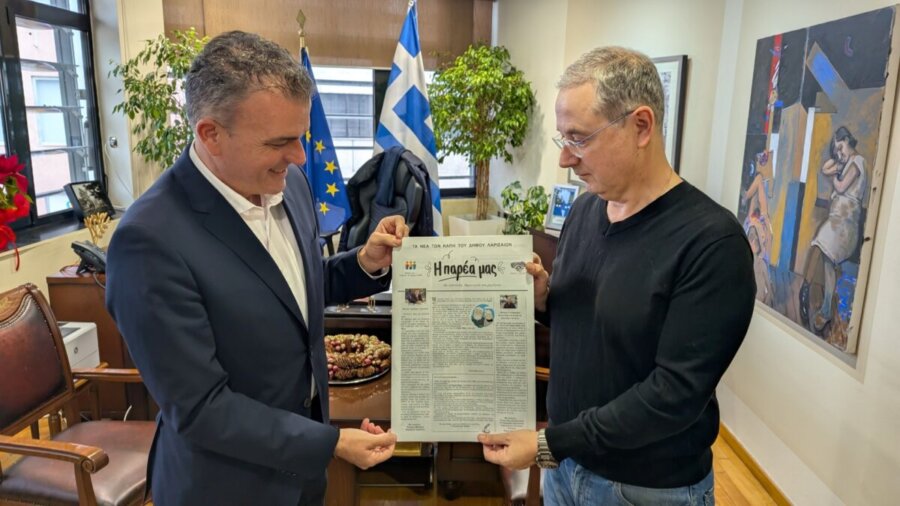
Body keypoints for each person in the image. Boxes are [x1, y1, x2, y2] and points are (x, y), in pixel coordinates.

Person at [105, 31, 403, 506]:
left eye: (301, 136)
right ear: (211, 134)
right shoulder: (149, 241)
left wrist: (364, 264)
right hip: (225, 485)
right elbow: (201, 408)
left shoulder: (291, 184)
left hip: (302, 473)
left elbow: (290, 292)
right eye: (280, 142)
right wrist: (329, 442)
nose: (300, 156)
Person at [477, 46, 756, 505]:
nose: (565, 159)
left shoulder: (712, 244)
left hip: (645, 488)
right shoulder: (585, 210)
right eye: (562, 139)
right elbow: (593, 327)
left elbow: (673, 395)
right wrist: (545, 298)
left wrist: (549, 443)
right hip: (566, 468)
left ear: (641, 126)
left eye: (579, 138)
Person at [802, 126, 867, 333]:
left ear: (848, 140)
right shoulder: (846, 162)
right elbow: (825, 168)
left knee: (819, 246)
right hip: (836, 222)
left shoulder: (858, 162)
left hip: (845, 225)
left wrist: (837, 170)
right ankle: (824, 308)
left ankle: (805, 291)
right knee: (826, 262)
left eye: (841, 147)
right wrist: (838, 159)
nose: (839, 152)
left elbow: (840, 187)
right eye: (836, 149)